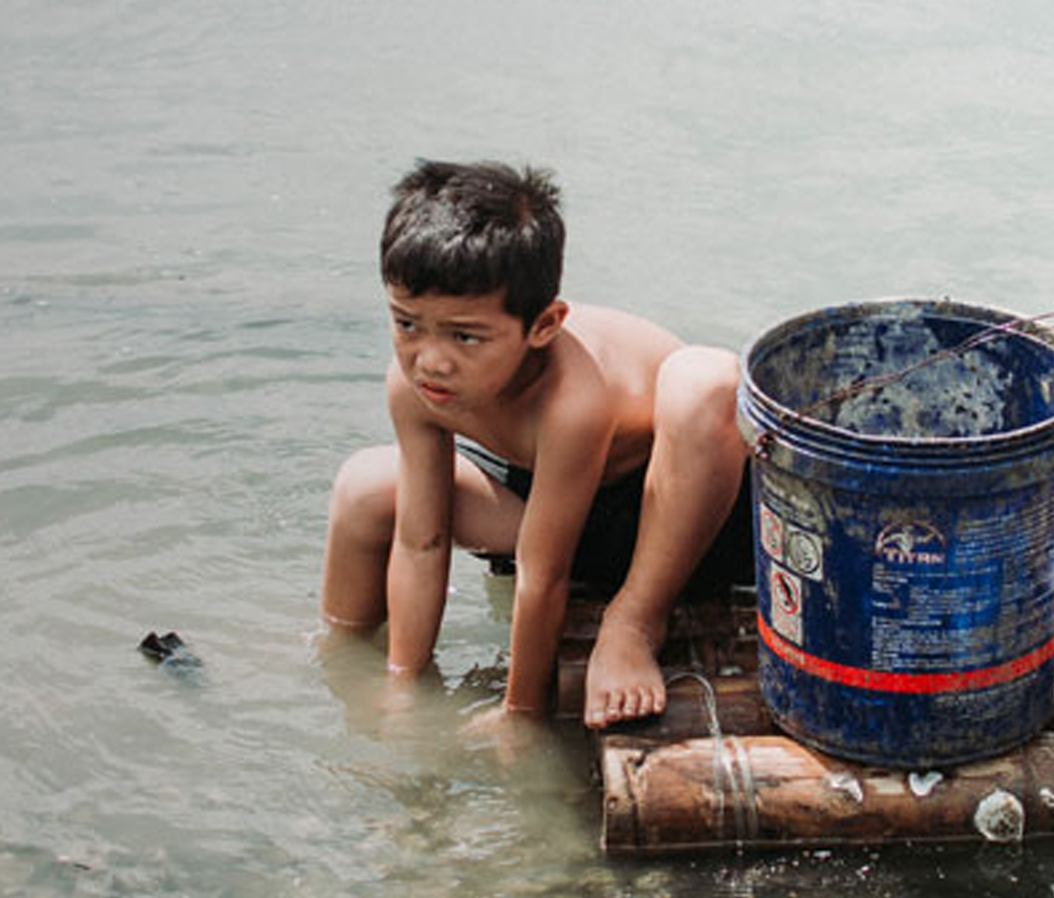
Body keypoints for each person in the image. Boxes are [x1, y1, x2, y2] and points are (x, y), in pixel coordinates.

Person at [319, 159, 753, 730]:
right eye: (406, 325)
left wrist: (519, 714)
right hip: (552, 514)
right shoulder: (414, 384)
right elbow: (421, 541)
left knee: (705, 379)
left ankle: (634, 623)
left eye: (465, 335)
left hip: (677, 522)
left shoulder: (573, 399)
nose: (430, 359)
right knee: (365, 487)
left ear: (543, 326)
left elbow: (541, 572)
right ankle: (335, 653)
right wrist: (404, 684)